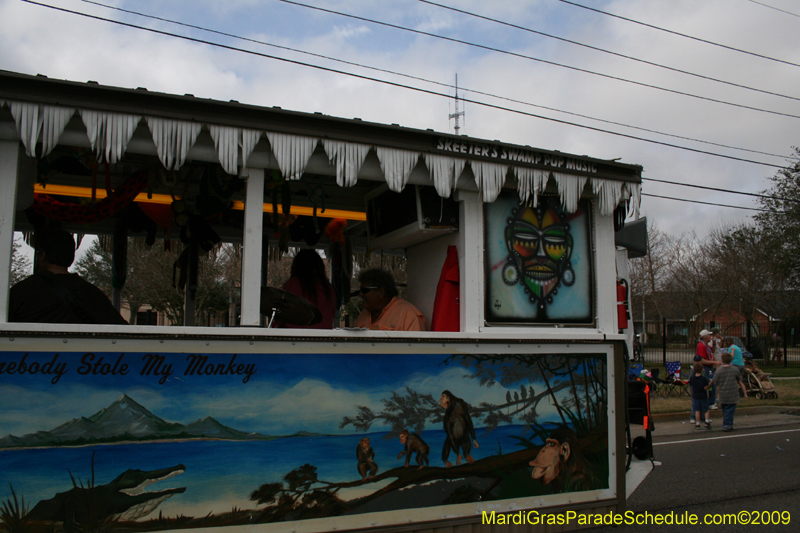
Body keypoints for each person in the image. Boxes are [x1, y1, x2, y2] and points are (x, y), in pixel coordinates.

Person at [9, 230, 127, 324]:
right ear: (71, 257)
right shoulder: (91, 293)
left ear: (43, 256)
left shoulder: (20, 291)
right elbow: (118, 328)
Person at [279, 249, 337, 329]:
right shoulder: (328, 288)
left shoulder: (292, 284)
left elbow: (281, 315)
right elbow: (332, 314)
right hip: (323, 337)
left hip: (294, 336)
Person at [354, 268, 425, 331]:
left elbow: (417, 345)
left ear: (381, 292)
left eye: (364, 290)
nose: (360, 294)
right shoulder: (363, 315)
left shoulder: (409, 316)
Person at [712, 352, 746, 432]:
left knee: (725, 409)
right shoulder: (735, 369)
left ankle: (728, 422)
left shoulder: (719, 371)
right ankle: (727, 424)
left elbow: (715, 382)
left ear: (722, 360)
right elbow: (739, 379)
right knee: (730, 410)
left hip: (723, 394)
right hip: (732, 393)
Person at [694, 329, 720, 411]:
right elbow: (702, 360)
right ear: (705, 337)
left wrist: (714, 344)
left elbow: (712, 351)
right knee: (710, 385)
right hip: (706, 368)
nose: (710, 337)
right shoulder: (701, 346)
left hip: (710, 368)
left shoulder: (706, 345)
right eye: (709, 335)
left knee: (712, 385)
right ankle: (710, 403)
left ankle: (711, 401)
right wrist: (715, 362)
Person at [688, 361, 712, 430]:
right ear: (702, 370)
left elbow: (691, 385)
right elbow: (705, 387)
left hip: (695, 396)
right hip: (703, 396)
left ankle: (697, 423)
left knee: (697, 410)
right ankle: (707, 421)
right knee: (706, 409)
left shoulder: (692, 378)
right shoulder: (704, 379)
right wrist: (710, 383)